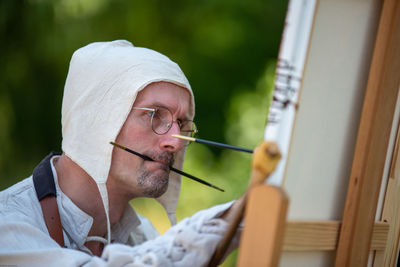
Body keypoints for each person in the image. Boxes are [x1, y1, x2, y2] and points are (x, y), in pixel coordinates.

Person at [0, 40, 239, 266]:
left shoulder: (143, 236)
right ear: (96, 119)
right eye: (155, 115)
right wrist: (230, 221)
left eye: (182, 123)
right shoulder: (7, 225)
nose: (175, 143)